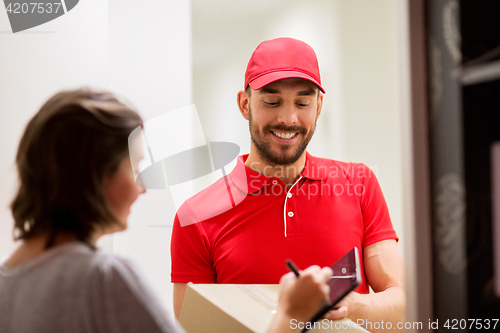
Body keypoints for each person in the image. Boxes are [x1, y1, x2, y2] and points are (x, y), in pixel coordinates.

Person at [0, 88, 336, 333]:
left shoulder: (7, 283)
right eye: (133, 166)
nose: (141, 187)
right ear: (93, 172)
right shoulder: (103, 279)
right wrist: (293, 315)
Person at [171, 37, 405, 331]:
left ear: (319, 107)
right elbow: (190, 328)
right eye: (272, 101)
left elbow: (404, 308)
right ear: (245, 104)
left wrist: (347, 306)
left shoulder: (359, 184)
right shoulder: (195, 217)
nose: (288, 118)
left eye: (303, 102)